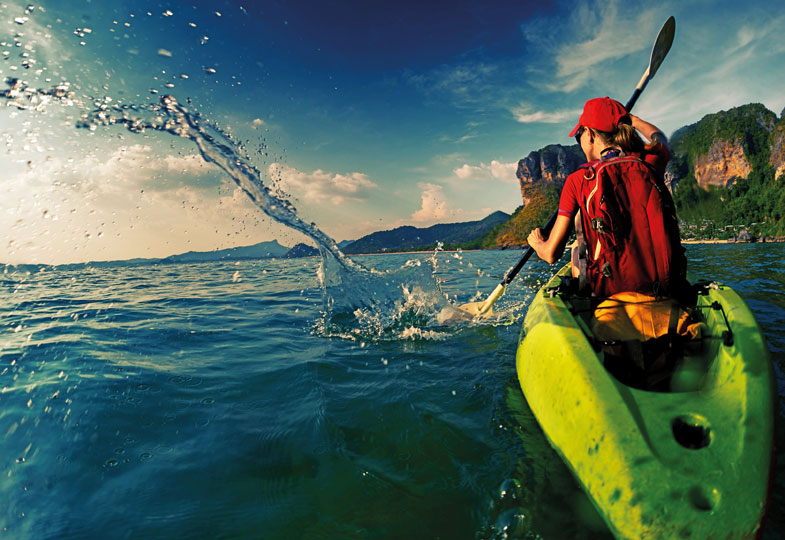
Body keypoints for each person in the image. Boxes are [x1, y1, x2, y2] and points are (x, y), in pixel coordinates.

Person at [526, 96, 687, 300]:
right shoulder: (651, 162)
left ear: (590, 134)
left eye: (579, 135)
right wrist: (633, 120)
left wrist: (537, 242)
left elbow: (551, 254)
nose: (579, 141)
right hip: (666, 295)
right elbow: (659, 138)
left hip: (610, 302)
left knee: (577, 250)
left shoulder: (577, 180)